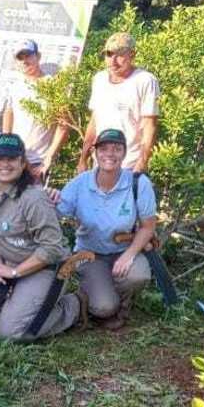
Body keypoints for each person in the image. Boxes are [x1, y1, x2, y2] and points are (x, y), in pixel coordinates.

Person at [0, 133, 87, 342]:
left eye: (12, 159)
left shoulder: (34, 198)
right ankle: (9, 311)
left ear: (23, 163)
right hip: (7, 258)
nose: (5, 164)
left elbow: (51, 250)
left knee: (11, 333)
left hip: (46, 267)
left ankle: (73, 306)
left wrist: (14, 272)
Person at [57, 129, 155, 330]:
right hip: (89, 254)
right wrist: (47, 197)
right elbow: (55, 214)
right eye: (103, 149)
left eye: (117, 149)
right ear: (95, 153)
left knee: (138, 275)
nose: (110, 154)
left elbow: (147, 227)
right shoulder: (80, 183)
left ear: (124, 153)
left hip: (123, 249)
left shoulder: (138, 183)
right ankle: (95, 295)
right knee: (103, 307)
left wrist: (128, 255)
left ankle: (123, 305)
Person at [78, 32, 159, 173]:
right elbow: (94, 121)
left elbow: (149, 126)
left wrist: (141, 163)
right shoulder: (99, 79)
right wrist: (83, 159)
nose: (113, 61)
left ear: (132, 55)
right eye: (109, 54)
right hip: (101, 163)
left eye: (120, 55)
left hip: (129, 165)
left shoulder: (145, 80)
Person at [0, 40, 69, 177]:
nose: (24, 61)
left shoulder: (53, 85)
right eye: (20, 57)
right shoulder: (15, 86)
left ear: (38, 56)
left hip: (39, 162)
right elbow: (9, 114)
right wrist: (8, 149)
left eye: (28, 55)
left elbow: (64, 124)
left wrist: (49, 158)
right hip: (15, 159)